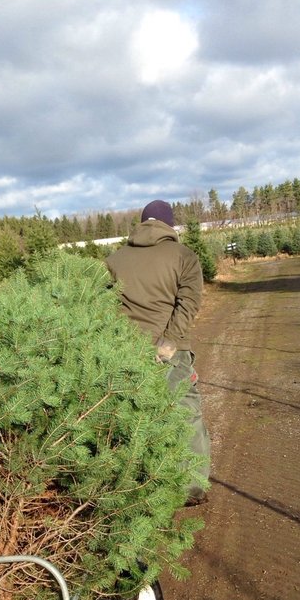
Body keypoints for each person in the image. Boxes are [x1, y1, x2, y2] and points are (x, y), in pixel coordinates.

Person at [106, 198, 210, 504]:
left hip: (128, 352)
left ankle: (140, 488)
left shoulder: (113, 260)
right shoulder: (183, 255)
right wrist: (168, 342)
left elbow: (107, 307)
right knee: (186, 414)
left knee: (138, 419)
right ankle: (191, 488)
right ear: (169, 225)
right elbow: (189, 302)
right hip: (171, 351)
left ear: (142, 223)